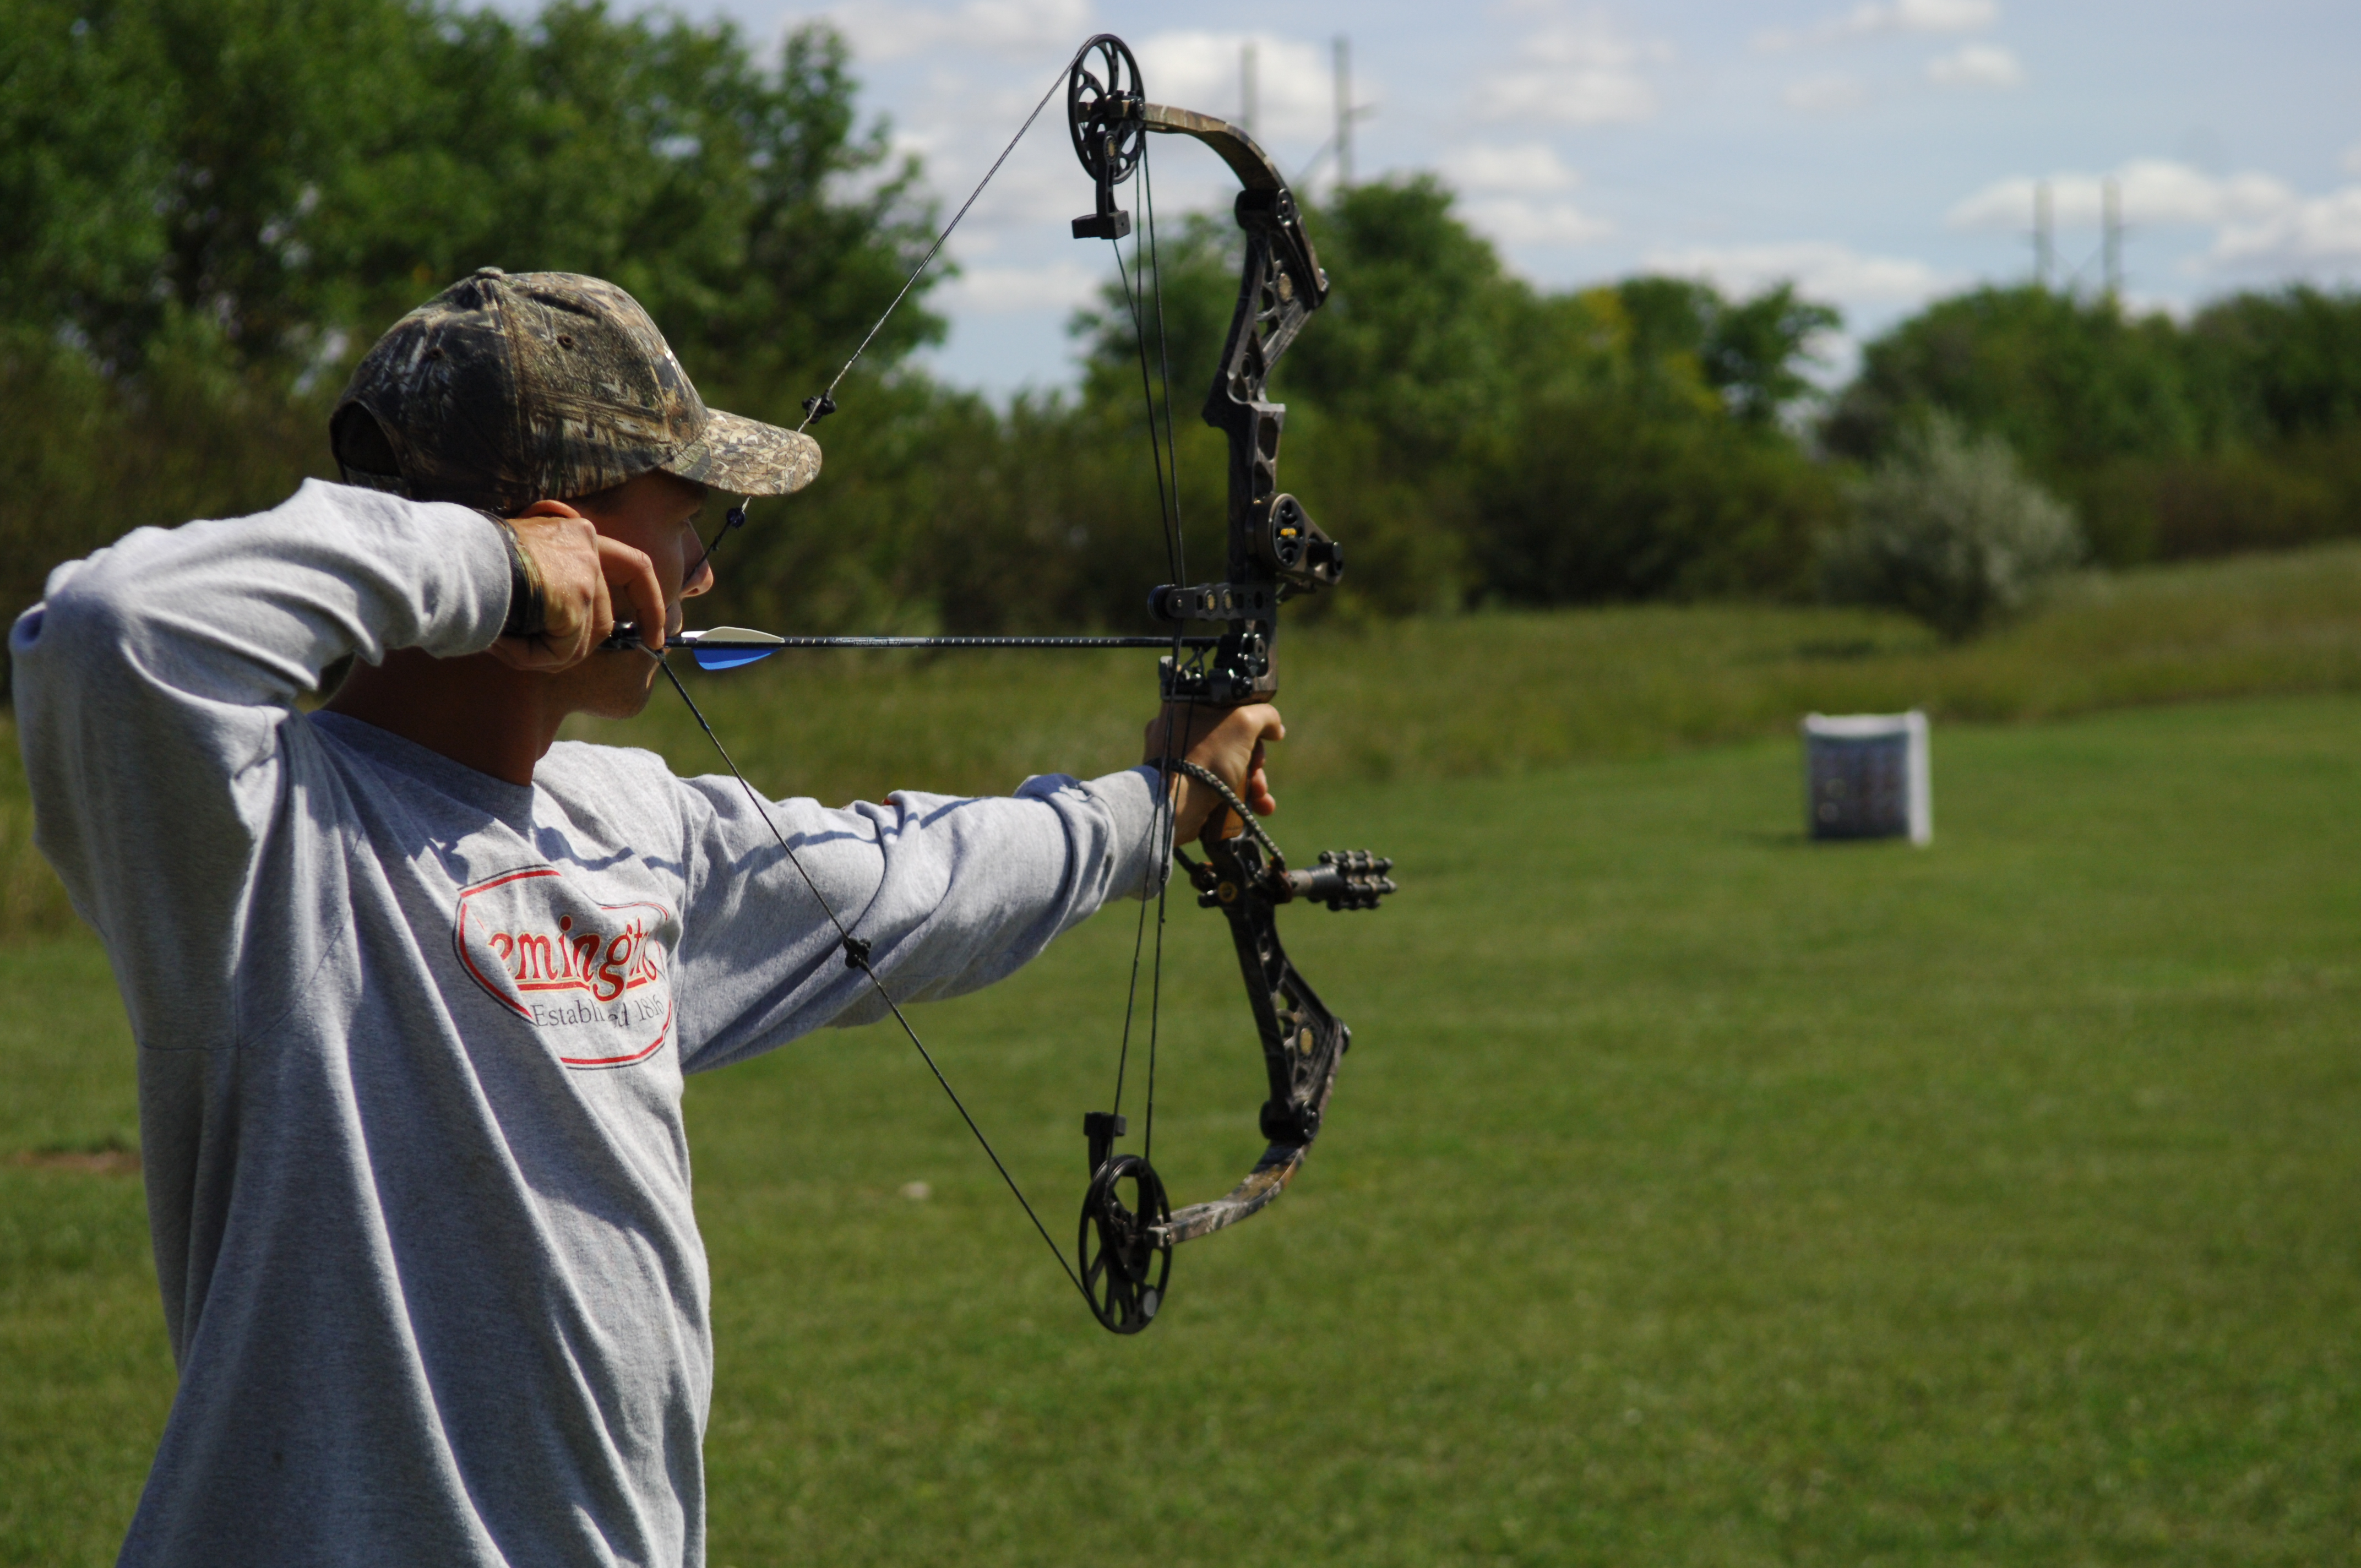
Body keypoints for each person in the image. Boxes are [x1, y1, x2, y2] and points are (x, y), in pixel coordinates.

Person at [10, 268, 1280, 1566]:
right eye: (686, 514)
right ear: (571, 531)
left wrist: (1158, 804)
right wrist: (489, 567)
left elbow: (921, 874)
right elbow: (111, 630)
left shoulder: (638, 825)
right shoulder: (255, 834)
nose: (706, 566)